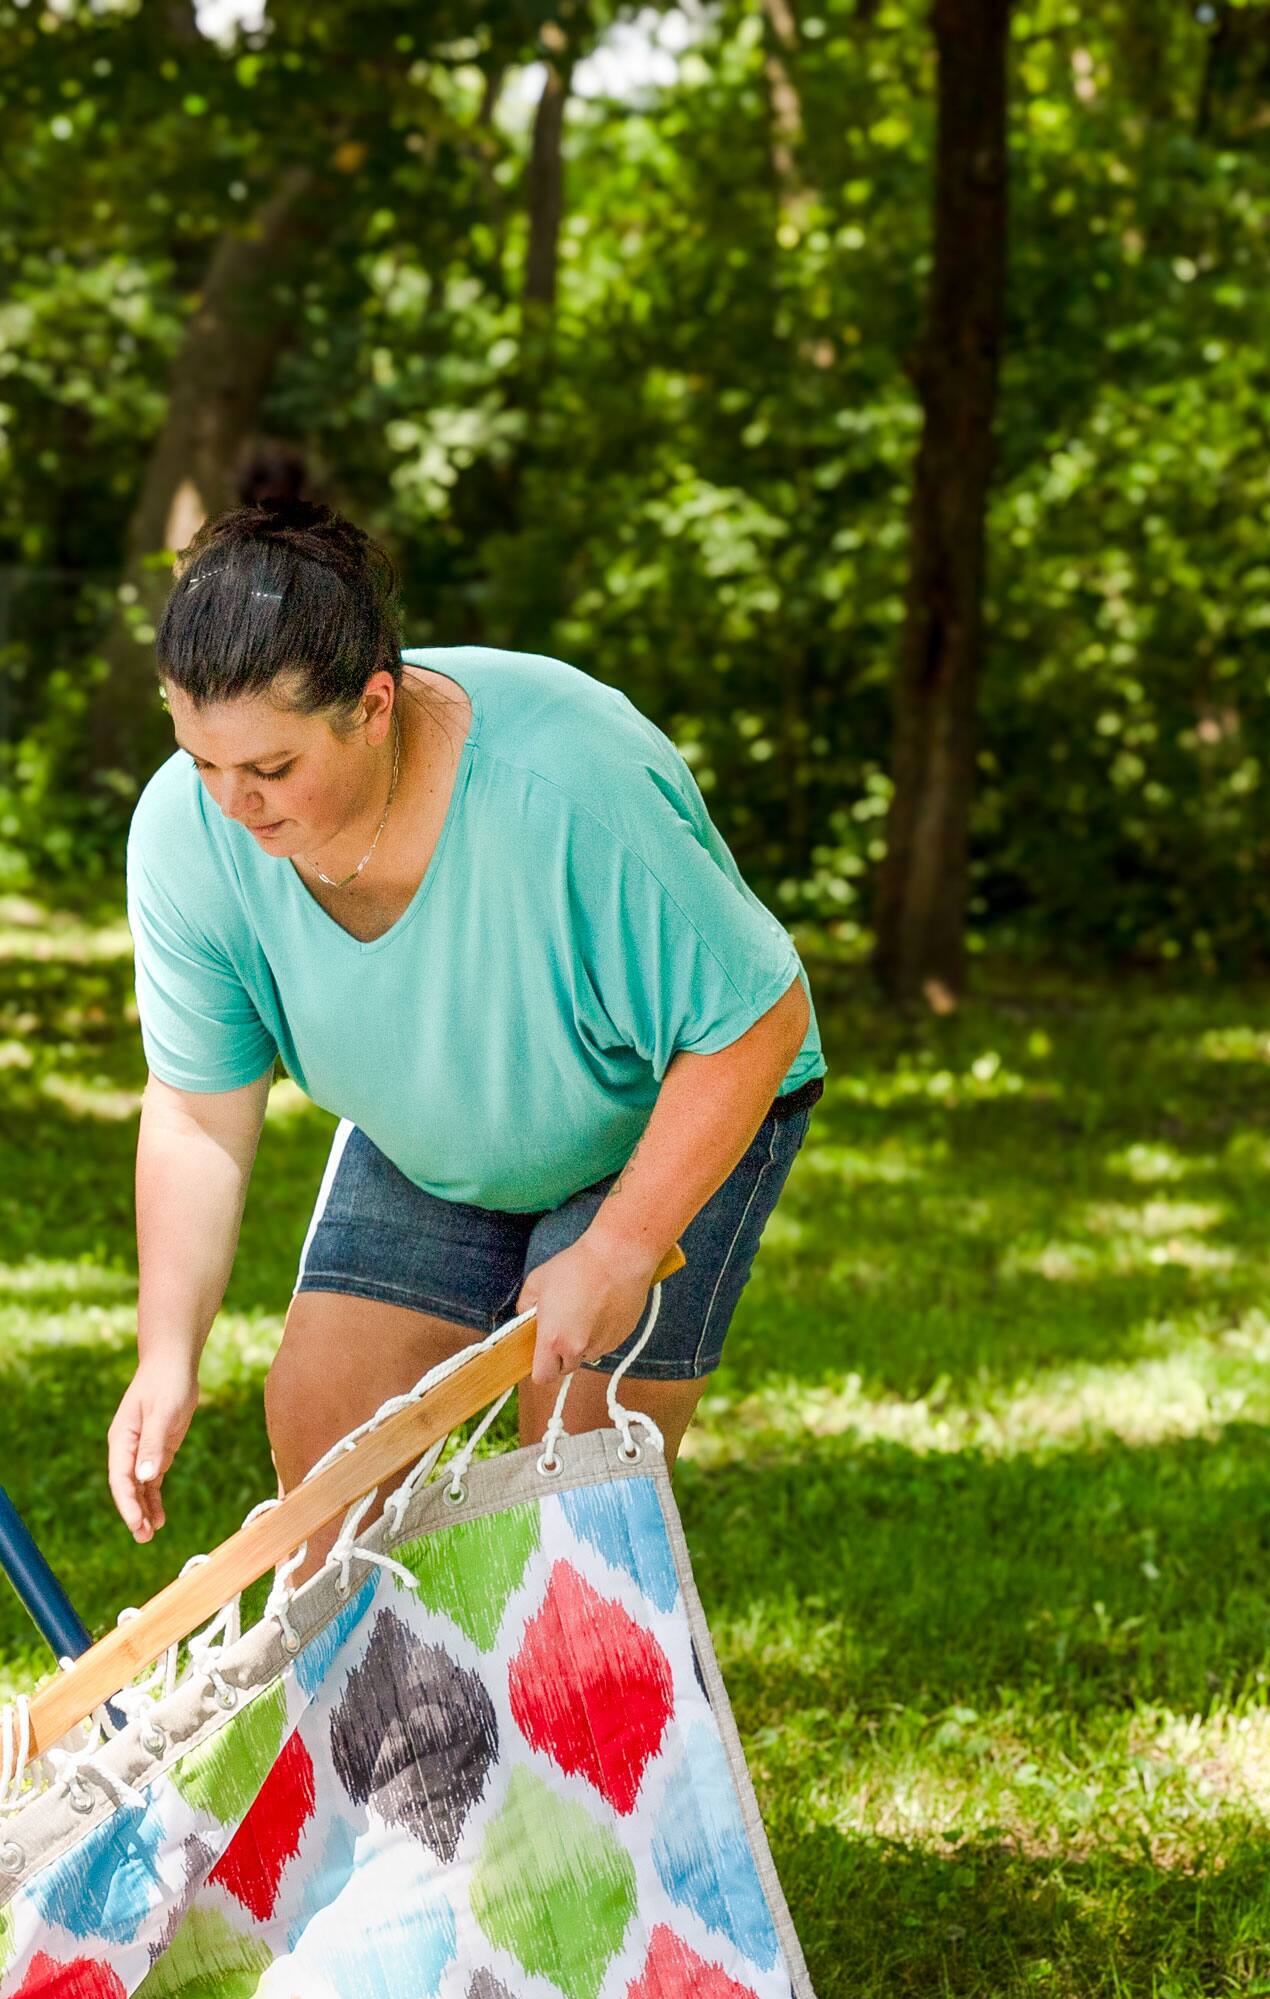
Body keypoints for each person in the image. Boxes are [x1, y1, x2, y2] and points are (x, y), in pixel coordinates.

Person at [104, 473, 822, 1543]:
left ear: (375, 706)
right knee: (328, 1439)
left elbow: (755, 1018)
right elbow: (201, 1108)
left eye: (270, 766)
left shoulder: (565, 782)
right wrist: (168, 1350)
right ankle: (393, 1710)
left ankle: (583, 1702)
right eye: (199, 759)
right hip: (435, 1130)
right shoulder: (187, 834)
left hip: (662, 1108)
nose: (230, 801)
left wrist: (620, 1250)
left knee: (579, 1471)